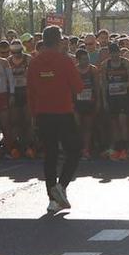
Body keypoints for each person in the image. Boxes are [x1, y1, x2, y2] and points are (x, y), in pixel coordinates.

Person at [26, 26, 84, 214]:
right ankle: (61, 186)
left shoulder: (34, 62)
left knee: (50, 155)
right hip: (63, 112)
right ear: (59, 40)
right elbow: (78, 87)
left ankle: (52, 200)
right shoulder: (65, 61)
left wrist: (34, 115)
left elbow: (31, 92)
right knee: (74, 150)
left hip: (43, 113)